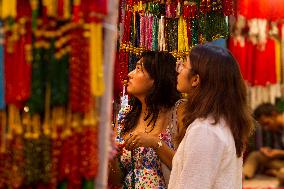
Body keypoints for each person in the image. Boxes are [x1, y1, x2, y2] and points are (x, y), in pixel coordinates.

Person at [168, 44, 254, 189]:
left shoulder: (205, 130)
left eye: (184, 64)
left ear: (196, 79)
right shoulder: (222, 123)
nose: (179, 70)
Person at [109, 51, 184, 188]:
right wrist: (112, 159)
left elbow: (187, 167)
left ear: (156, 78)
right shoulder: (125, 116)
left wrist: (155, 143)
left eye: (138, 69)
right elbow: (118, 178)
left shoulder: (177, 113)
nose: (130, 74)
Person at [243, 103, 284, 180]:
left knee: (282, 174)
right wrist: (270, 151)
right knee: (256, 155)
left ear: (274, 115)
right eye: (263, 126)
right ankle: (243, 176)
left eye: (267, 123)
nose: (266, 128)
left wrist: (278, 153)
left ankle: (277, 172)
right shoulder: (277, 129)